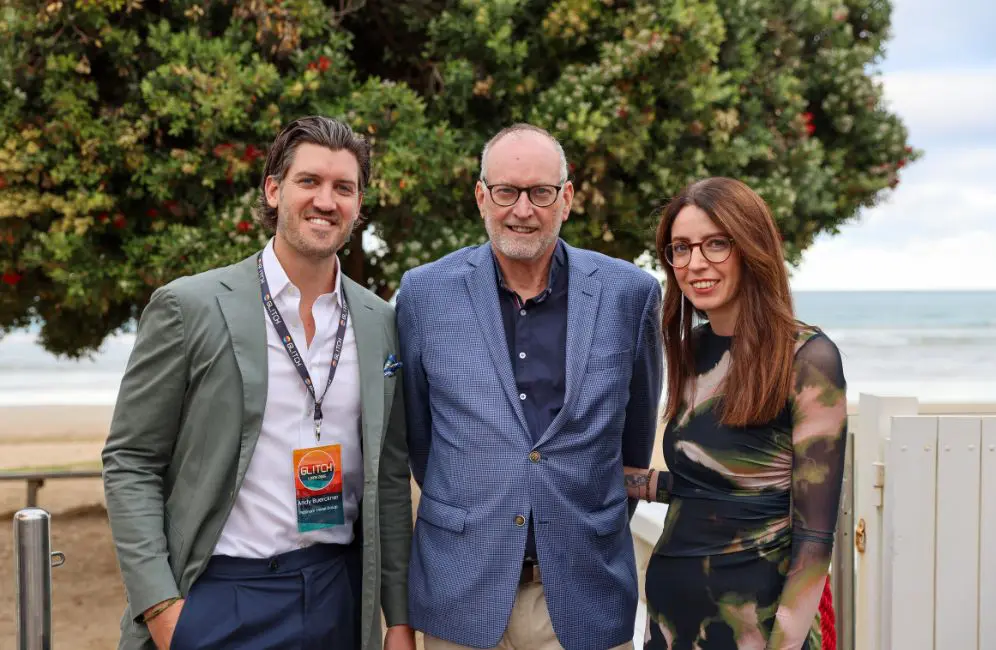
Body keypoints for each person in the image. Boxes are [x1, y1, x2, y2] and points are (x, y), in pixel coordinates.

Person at [102, 116, 414, 650]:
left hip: (336, 593)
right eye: (308, 181)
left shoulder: (379, 320)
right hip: (220, 596)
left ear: (360, 204)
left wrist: (399, 620)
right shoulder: (189, 307)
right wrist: (160, 606)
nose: (326, 200)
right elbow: (130, 460)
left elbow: (387, 481)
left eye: (344, 188)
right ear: (273, 190)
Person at [395, 123, 663, 650]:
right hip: (461, 596)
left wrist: (579, 515)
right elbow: (420, 443)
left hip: (585, 595)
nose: (523, 209)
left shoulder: (630, 295)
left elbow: (632, 444)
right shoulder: (424, 294)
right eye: (506, 192)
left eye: (540, 192)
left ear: (566, 198)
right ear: (481, 197)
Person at [623, 177, 848, 650]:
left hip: (756, 628)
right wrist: (638, 482)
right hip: (669, 622)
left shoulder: (808, 359)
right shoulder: (689, 350)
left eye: (716, 244)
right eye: (680, 248)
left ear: (752, 248)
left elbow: (814, 537)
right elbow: (725, 485)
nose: (695, 263)